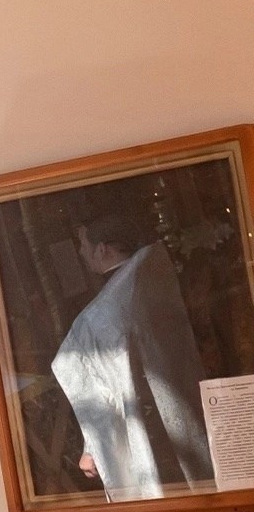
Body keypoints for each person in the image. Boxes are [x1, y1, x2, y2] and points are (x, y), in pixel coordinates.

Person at [52, 207, 213, 497]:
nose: (81, 252)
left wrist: (93, 449)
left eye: (84, 245)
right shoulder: (155, 278)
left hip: (150, 428)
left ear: (102, 249)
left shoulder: (104, 313)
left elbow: (101, 383)